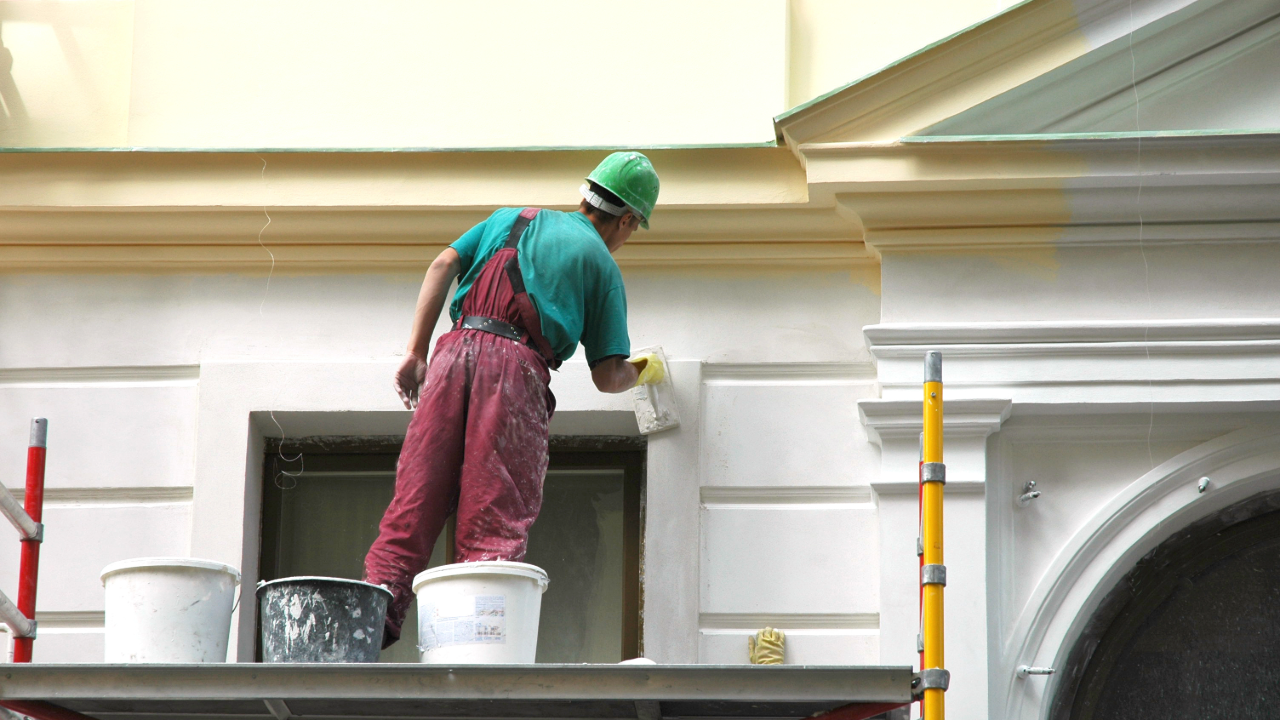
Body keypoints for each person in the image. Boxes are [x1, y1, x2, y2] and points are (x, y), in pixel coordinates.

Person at [363, 151, 664, 646]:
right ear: (627, 219)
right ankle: (474, 654)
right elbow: (608, 377)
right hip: (514, 371)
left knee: (413, 504)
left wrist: (417, 353)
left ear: (587, 195)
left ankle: (365, 632)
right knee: (493, 517)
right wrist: (643, 371)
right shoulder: (600, 265)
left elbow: (442, 263)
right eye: (633, 228)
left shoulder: (510, 218)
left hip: (450, 354)